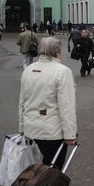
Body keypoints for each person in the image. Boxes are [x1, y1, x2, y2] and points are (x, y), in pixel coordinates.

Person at [18, 37, 77, 170]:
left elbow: (22, 102)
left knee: (39, 166)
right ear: (57, 51)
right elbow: (66, 106)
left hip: (31, 128)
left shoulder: (28, 70)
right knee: (53, 169)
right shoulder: (62, 71)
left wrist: (22, 128)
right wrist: (70, 135)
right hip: (52, 131)